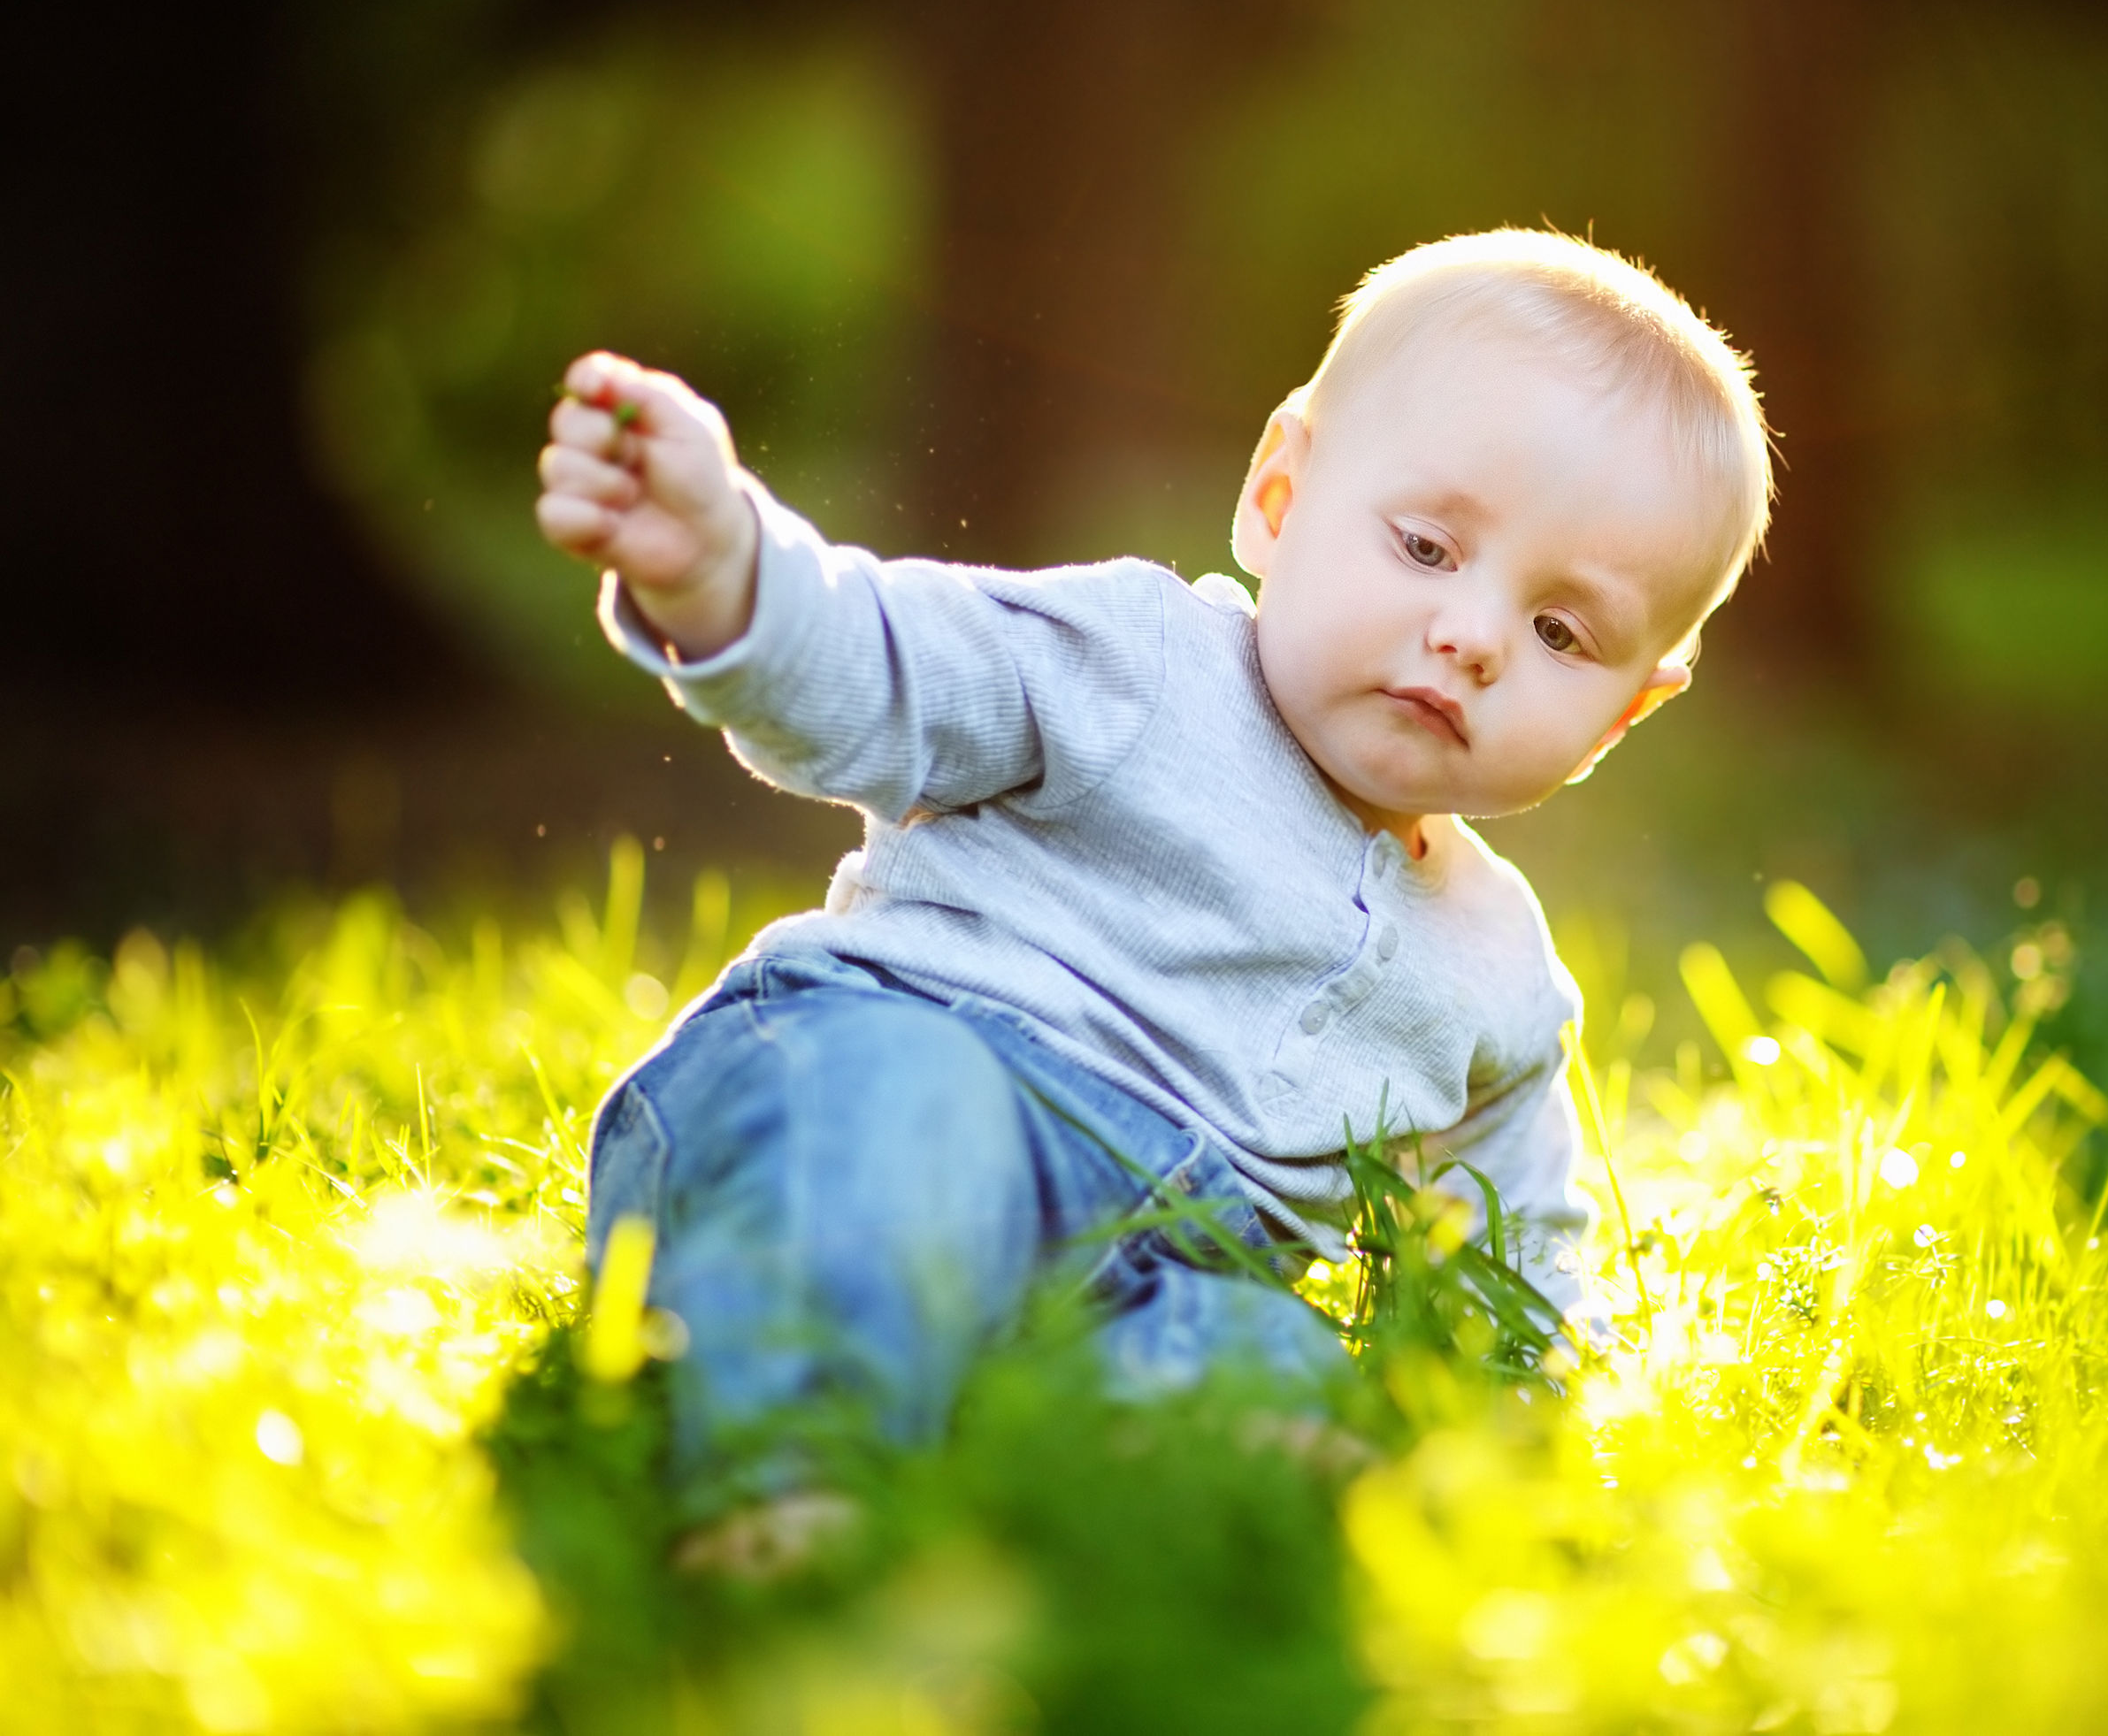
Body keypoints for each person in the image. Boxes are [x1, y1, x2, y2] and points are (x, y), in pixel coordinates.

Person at [533, 228, 1772, 1574]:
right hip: (859, 1104)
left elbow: (1512, 1251)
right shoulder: (1140, 665)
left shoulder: (1498, 977)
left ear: (1624, 715)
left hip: (1151, 1277)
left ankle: (1150, 1481)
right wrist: (726, 574)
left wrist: (1513, 1431)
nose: (1472, 635)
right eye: (1424, 546)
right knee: (897, 1117)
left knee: (1262, 1355)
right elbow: (883, 671)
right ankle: (790, 1480)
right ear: (1279, 502)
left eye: (1559, 635)